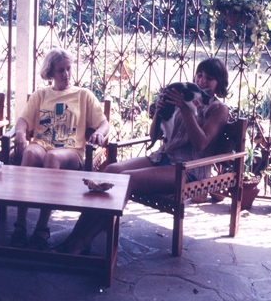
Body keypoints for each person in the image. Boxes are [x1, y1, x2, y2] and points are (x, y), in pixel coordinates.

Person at [54, 57, 230, 254]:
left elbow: (201, 143)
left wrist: (185, 109)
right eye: (200, 74)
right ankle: (76, 235)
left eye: (210, 78)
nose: (202, 80)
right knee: (110, 170)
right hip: (163, 157)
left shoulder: (218, 109)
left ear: (220, 83)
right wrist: (160, 110)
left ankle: (81, 242)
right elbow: (154, 134)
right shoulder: (187, 98)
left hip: (189, 169)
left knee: (125, 180)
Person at [11, 47, 110, 249]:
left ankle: (42, 227)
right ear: (50, 73)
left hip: (71, 151)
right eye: (60, 70)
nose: (66, 74)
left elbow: (104, 123)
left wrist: (100, 132)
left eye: (68, 69)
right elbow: (23, 121)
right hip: (42, 144)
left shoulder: (83, 95)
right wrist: (20, 133)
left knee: (53, 158)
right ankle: (20, 225)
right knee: (30, 152)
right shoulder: (40, 95)